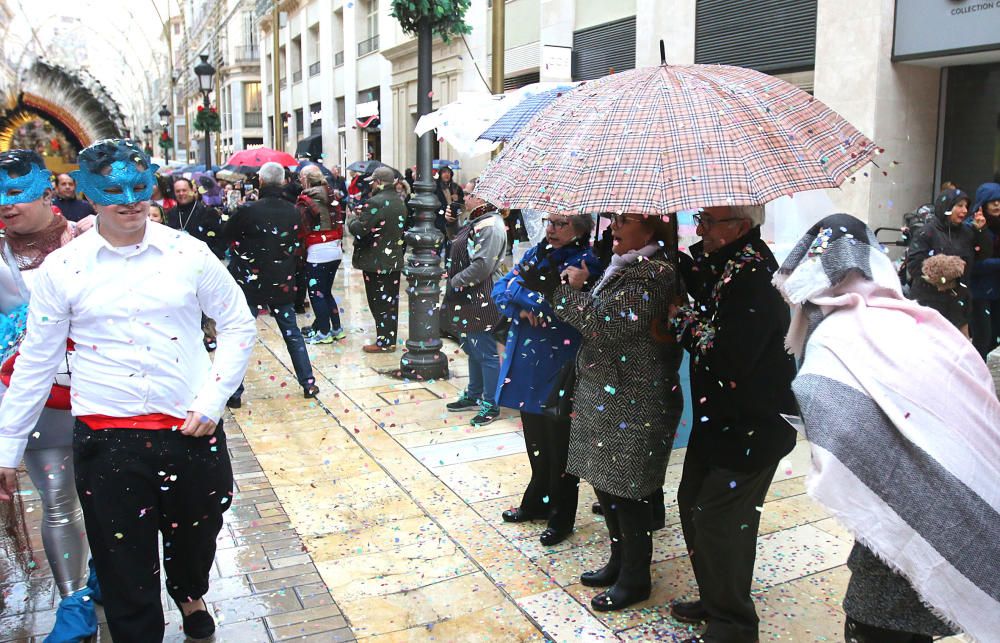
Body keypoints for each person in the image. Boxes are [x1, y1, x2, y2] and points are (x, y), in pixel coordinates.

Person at [0, 139, 256, 642]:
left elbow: (238, 324)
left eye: (139, 187)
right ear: (90, 195)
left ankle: (189, 590)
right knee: (124, 571)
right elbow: (37, 361)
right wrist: (7, 450)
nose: (129, 200)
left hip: (189, 431)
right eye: (113, 189)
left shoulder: (189, 253)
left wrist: (211, 401)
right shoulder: (64, 268)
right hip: (107, 439)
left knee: (197, 538)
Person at [774, 213, 999, 643]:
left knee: (882, 625)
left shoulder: (834, 338)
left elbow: (842, 430)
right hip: (955, 514)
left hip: (886, 569)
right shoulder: (924, 324)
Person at [519, 211, 682, 611]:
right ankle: (619, 560)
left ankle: (635, 577)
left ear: (650, 229)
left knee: (629, 492)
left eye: (623, 220)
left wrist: (563, 292)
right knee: (608, 485)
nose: (612, 227)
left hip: (633, 396)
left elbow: (603, 325)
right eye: (613, 219)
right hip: (608, 393)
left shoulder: (653, 274)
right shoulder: (625, 267)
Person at [670, 205, 798, 643]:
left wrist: (680, 319)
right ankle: (715, 598)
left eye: (710, 223)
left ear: (740, 228)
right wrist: (682, 261)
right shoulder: (729, 264)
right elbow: (708, 288)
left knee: (720, 522)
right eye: (700, 220)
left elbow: (727, 357)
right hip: (720, 420)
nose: (701, 229)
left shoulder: (754, 276)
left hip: (751, 427)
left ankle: (734, 625)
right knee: (692, 505)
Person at [0, 150, 99, 641]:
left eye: (15, 192)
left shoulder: (86, 239)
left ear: (45, 191)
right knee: (57, 501)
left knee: (105, 498)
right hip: (34, 399)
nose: (5, 204)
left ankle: (104, 576)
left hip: (101, 393)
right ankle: (71, 601)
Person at [493, 212, 601, 546]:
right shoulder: (537, 252)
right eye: (550, 222)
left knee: (560, 444)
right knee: (536, 439)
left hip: (560, 362)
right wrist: (523, 305)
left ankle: (562, 514)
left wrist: (526, 297)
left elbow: (558, 305)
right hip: (527, 361)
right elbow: (501, 288)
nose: (551, 229)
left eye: (561, 224)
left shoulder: (588, 260)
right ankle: (538, 501)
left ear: (580, 229)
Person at [223, 161, 320, 404]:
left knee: (241, 335)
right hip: (281, 279)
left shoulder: (248, 210)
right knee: (291, 333)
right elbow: (298, 242)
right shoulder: (293, 211)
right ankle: (308, 382)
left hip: (251, 280)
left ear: (261, 181)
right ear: (284, 181)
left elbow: (227, 234)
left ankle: (235, 392)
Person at [443, 183, 507, 426]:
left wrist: (455, 282)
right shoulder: (477, 220)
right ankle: (474, 393)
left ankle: (491, 403)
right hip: (468, 294)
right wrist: (451, 224)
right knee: (473, 346)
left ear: (484, 198)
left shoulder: (491, 225)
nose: (465, 197)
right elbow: (460, 244)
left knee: (486, 351)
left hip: (483, 294)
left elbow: (482, 266)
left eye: (470, 194)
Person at [906, 189, 991, 336]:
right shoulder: (926, 232)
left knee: (960, 353)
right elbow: (914, 266)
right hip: (929, 304)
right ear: (946, 206)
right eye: (959, 205)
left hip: (958, 305)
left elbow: (984, 253)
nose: (964, 210)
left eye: (966, 206)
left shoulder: (968, 232)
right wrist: (945, 269)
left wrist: (981, 232)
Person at [347, 166, 406, 353]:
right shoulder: (399, 201)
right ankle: (389, 339)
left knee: (378, 301)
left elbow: (360, 230)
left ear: (378, 182)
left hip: (376, 260)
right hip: (393, 258)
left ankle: (384, 342)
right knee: (390, 301)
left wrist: (352, 220)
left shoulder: (375, 202)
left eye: (372, 182)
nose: (371, 185)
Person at [296, 165, 346, 344]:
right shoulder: (331, 195)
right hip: (335, 249)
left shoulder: (306, 200)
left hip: (318, 251)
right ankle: (336, 328)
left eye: (301, 177)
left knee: (316, 293)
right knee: (326, 292)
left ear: (307, 179)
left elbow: (300, 227)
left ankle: (324, 333)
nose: (299, 181)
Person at [969, 182, 1000, 358]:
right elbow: (972, 264)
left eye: (999, 201)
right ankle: (973, 377)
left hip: (997, 292)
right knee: (982, 338)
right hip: (979, 292)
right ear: (983, 203)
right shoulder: (973, 227)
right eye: (992, 201)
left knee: (994, 338)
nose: (997, 204)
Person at [166, 176, 226, 259]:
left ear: (192, 191)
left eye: (184, 190)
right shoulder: (171, 213)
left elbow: (220, 239)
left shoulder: (208, 212)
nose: (181, 193)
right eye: (178, 191)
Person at [435, 166, 464, 238]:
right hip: (439, 218)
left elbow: (463, 202)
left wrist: (457, 199)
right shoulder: (435, 187)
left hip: (452, 219)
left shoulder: (455, 187)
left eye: (448, 172)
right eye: (444, 172)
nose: (447, 174)